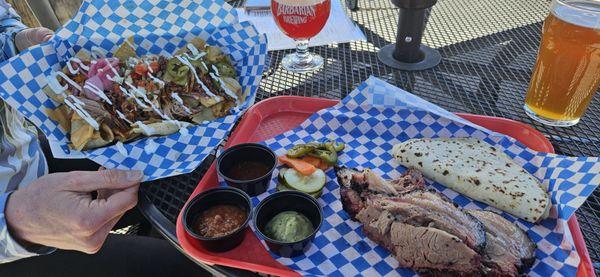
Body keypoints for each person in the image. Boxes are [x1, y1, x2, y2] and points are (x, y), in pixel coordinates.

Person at [0, 2, 207, 276]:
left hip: (29, 157)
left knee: (192, 176)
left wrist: (15, 42)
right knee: (184, 267)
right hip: (9, 247)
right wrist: (13, 221)